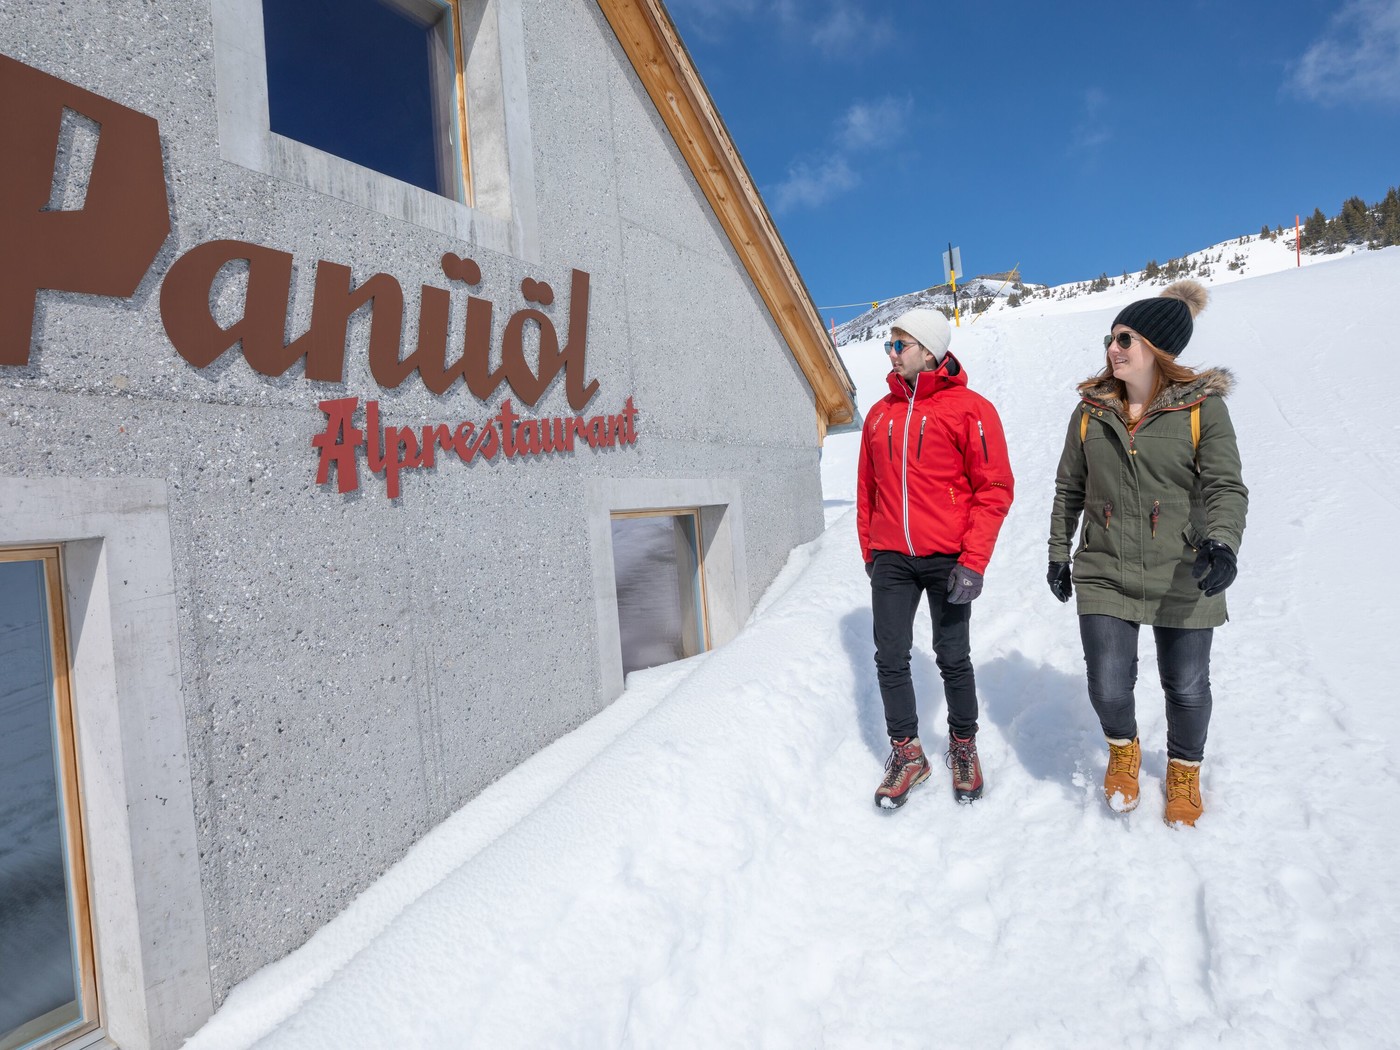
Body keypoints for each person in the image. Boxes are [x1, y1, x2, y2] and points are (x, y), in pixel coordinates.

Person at [1047, 280, 1248, 826]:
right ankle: (1123, 749)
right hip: (1105, 567)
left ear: (1157, 349)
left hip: (1185, 569)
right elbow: (1070, 488)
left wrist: (1223, 545)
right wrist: (1058, 552)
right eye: (1110, 337)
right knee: (1108, 682)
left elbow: (1226, 487)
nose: (1113, 348)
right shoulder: (1090, 412)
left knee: (1185, 684)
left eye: (1125, 338)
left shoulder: (1202, 410)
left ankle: (1183, 769)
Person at [857, 308, 1015, 809]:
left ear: (928, 350)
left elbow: (994, 490)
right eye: (890, 345)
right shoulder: (880, 413)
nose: (891, 353)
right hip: (891, 558)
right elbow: (866, 489)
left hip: (948, 555)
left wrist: (973, 562)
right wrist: (872, 551)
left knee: (952, 656)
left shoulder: (971, 409)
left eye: (898, 344)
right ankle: (907, 754)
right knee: (889, 657)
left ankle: (963, 746)